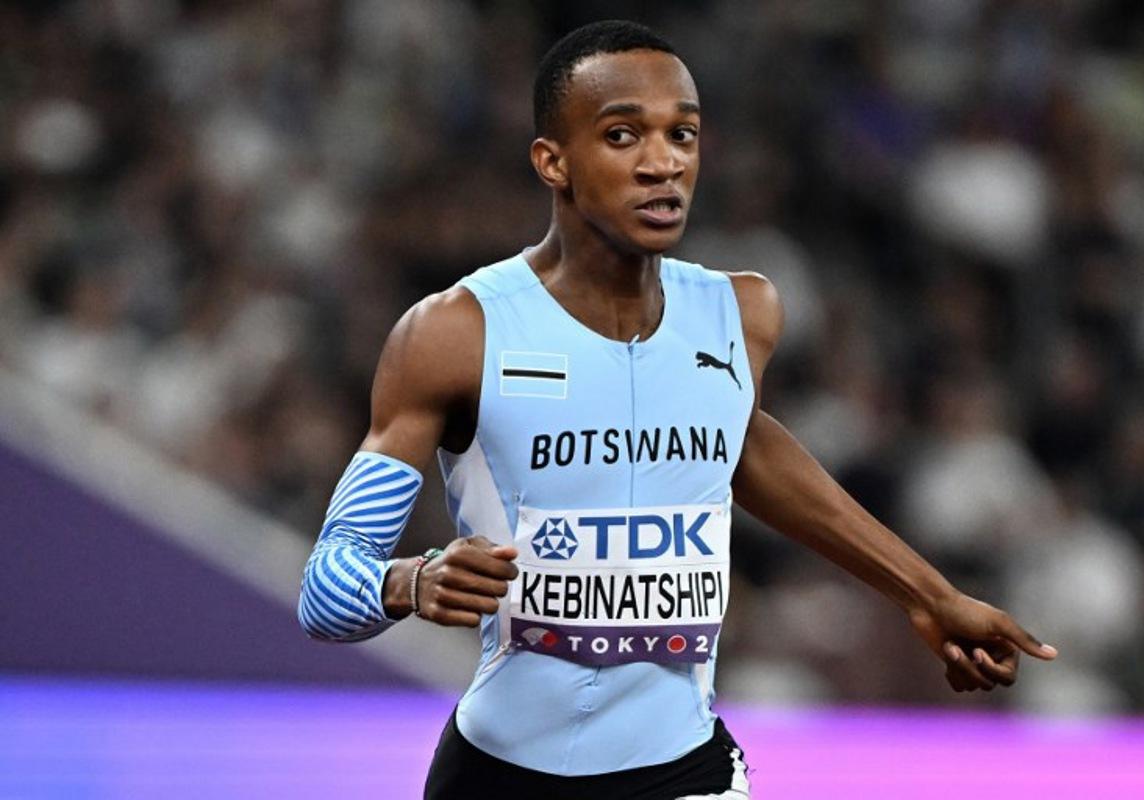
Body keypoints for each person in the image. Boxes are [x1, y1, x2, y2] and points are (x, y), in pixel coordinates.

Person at [298, 20, 1057, 799]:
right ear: (552, 161)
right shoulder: (456, 332)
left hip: (684, 772)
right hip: (500, 774)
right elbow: (325, 587)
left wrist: (929, 596)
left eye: (683, 135)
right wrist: (409, 583)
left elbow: (738, 447)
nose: (663, 163)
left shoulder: (741, 312)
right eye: (623, 134)